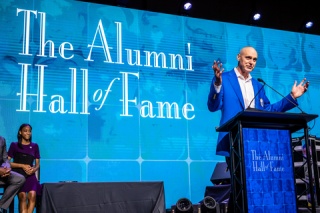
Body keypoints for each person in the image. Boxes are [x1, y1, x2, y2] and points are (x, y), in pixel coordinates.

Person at [207, 46, 309, 212]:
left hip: (257, 143)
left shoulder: (257, 84)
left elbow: (268, 110)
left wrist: (292, 97)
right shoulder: (224, 79)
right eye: (248, 58)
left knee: (256, 185)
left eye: (254, 59)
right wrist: (217, 84)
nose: (251, 62)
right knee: (240, 184)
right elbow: (213, 106)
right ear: (238, 57)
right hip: (234, 142)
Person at [8, 124, 41, 213]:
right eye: (25, 131)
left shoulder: (35, 146)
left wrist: (34, 169)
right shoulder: (14, 145)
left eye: (29, 131)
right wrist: (22, 165)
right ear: (20, 132)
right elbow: (7, 163)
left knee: (32, 195)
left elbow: (37, 164)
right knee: (23, 197)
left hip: (30, 175)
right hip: (18, 176)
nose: (28, 133)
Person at [0, 135, 25, 212]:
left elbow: (5, 159)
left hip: (2, 173)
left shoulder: (2, 139)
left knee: (20, 179)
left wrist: (6, 168)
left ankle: (0, 205)